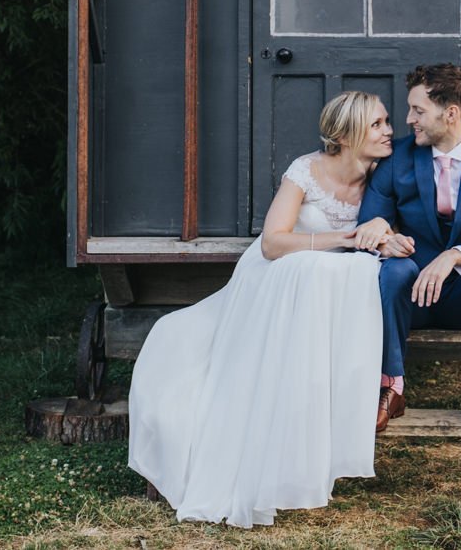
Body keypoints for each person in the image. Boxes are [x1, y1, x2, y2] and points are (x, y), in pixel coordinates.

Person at [127, 90, 399, 529]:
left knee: (331, 280)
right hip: (272, 279)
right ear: (347, 134)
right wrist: (342, 239)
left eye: (388, 121)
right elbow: (274, 242)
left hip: (324, 292)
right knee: (201, 349)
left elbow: (390, 224)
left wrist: (383, 228)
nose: (390, 131)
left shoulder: (385, 176)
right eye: (378, 124)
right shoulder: (306, 171)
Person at [355, 63, 461, 433]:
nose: (408, 119)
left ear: (450, 114)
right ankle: (391, 388)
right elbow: (368, 222)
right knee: (393, 269)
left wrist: (454, 256)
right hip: (408, 295)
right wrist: (385, 238)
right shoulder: (398, 157)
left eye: (418, 110)